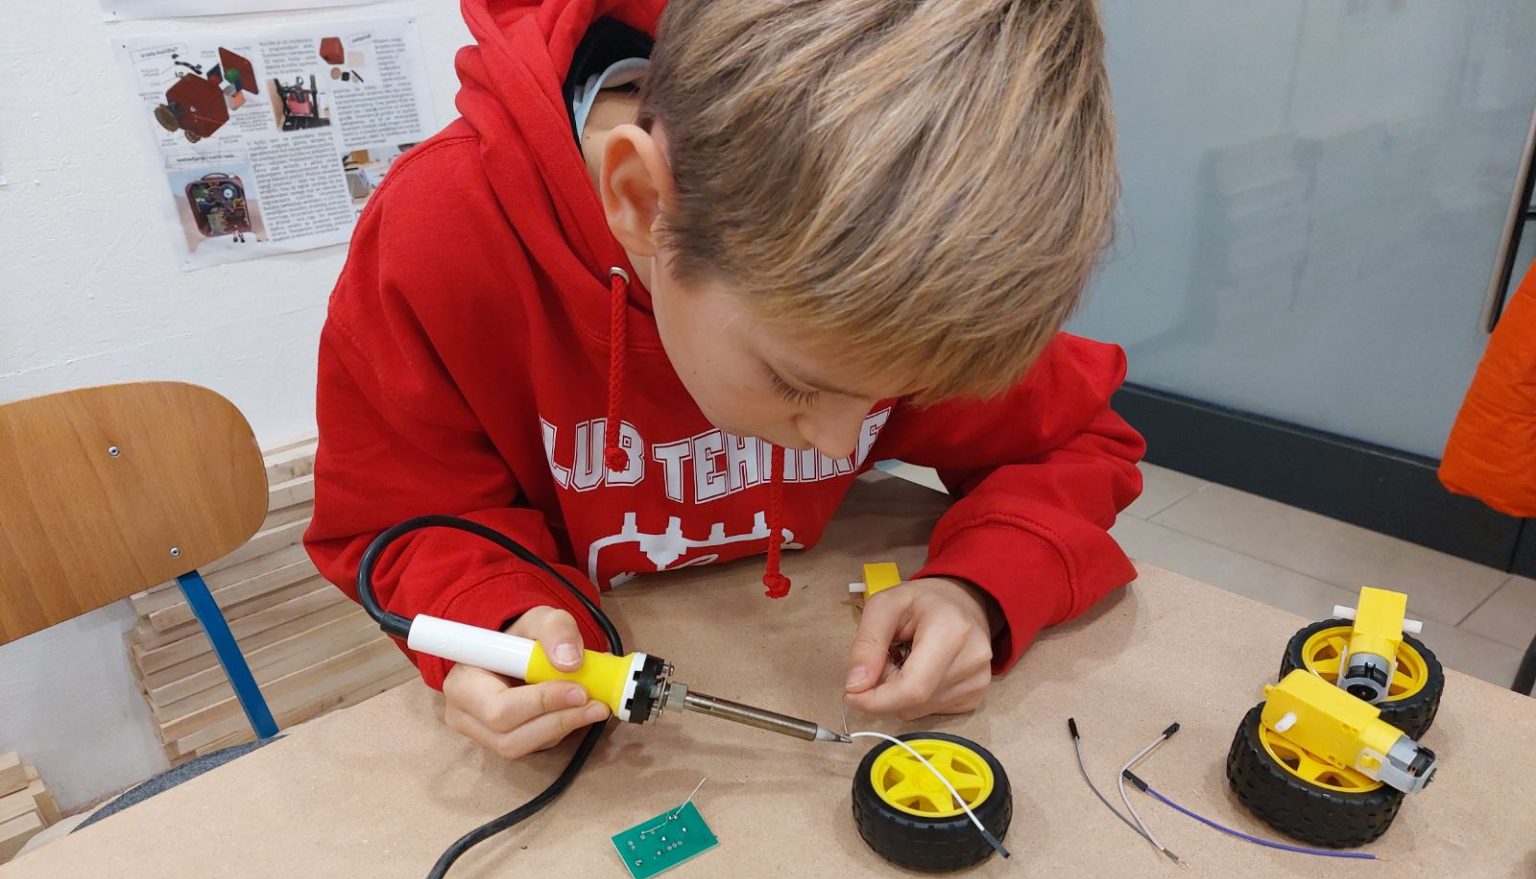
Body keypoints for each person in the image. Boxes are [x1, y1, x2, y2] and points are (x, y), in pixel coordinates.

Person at [305, 0, 1144, 762]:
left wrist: (980, 587)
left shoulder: (900, 267)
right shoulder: (442, 239)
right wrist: (494, 614)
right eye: (797, 384)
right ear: (641, 202)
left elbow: (1080, 439)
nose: (842, 444)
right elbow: (400, 519)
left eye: (892, 396)